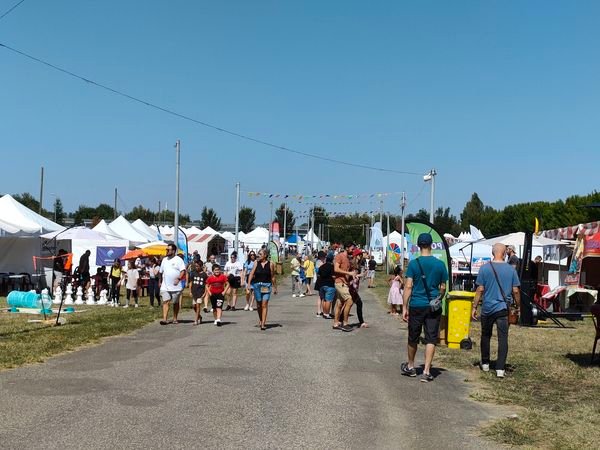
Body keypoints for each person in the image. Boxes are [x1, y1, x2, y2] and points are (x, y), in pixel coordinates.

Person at [401, 233, 448, 383]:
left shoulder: (414, 264)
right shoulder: (440, 264)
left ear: (419, 245)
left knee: (413, 337)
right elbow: (443, 287)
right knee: (431, 338)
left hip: (416, 305)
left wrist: (404, 307)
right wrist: (438, 298)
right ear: (431, 244)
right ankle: (427, 371)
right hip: (433, 306)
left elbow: (408, 286)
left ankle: (411, 366)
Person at [472, 243, 521, 378]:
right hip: (503, 309)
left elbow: (480, 289)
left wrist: (474, 307)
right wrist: (518, 306)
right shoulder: (511, 270)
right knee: (503, 338)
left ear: (492, 253)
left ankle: (486, 363)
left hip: (487, 308)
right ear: (505, 253)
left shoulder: (484, 269)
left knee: (485, 335)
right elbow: (516, 291)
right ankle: (500, 368)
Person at [247, 248, 278, 330]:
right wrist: (249, 284)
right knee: (258, 304)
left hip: (266, 286)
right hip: (257, 286)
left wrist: (275, 287)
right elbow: (251, 273)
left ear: (265, 255)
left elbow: (273, 276)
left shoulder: (271, 264)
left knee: (264, 304)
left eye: (260, 254)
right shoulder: (256, 263)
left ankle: (263, 323)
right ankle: (260, 319)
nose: (258, 255)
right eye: (258, 254)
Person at [159, 243, 186, 325]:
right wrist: (160, 282)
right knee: (165, 301)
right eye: (166, 249)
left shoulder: (178, 260)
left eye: (168, 250)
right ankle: (164, 319)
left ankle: (175, 318)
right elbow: (161, 272)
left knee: (175, 303)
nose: (166, 251)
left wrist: (178, 278)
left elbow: (183, 271)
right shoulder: (164, 260)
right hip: (165, 286)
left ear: (173, 251)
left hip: (176, 286)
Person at [333, 242, 357, 332]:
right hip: (340, 283)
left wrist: (354, 274)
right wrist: (348, 273)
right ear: (347, 248)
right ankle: (345, 323)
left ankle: (336, 323)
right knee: (349, 301)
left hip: (345, 283)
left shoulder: (348, 258)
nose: (353, 250)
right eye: (352, 249)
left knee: (339, 304)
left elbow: (348, 271)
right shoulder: (340, 256)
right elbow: (336, 269)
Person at [349, 248, 368, 328]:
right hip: (351, 287)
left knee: (350, 304)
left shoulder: (358, 264)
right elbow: (352, 275)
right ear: (355, 256)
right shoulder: (352, 264)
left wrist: (362, 275)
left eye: (361, 254)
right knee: (356, 303)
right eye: (359, 255)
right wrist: (361, 275)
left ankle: (341, 319)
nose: (360, 256)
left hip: (354, 287)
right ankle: (361, 322)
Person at [316, 251, 336, 319]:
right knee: (328, 300)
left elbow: (319, 275)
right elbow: (333, 276)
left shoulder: (322, 266)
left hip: (322, 285)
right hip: (330, 284)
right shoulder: (332, 267)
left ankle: (324, 313)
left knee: (324, 299)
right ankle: (327, 314)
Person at [189, 260, 208, 325]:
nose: (196, 267)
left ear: (201, 266)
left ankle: (196, 320)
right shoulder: (193, 273)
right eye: (195, 266)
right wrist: (190, 291)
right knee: (194, 306)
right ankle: (199, 316)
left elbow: (206, 285)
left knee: (198, 306)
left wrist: (205, 293)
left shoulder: (204, 275)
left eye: (197, 266)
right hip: (194, 292)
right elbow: (191, 283)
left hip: (200, 293)